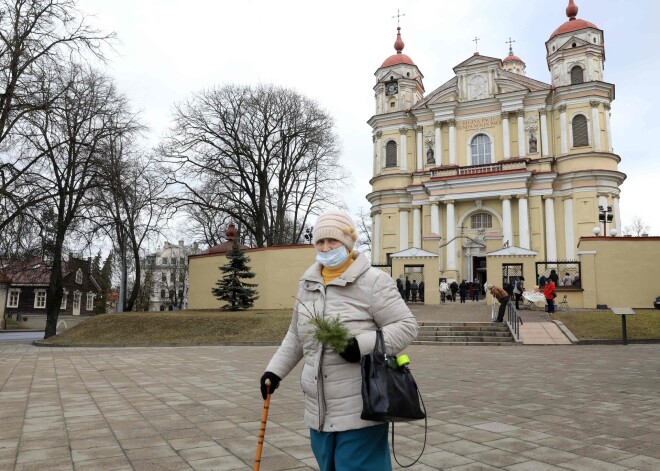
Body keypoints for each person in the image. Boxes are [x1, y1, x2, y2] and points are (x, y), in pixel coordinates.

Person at [259, 211, 418, 471]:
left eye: (332, 241)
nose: (325, 247)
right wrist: (274, 371)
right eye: (320, 242)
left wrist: (361, 345)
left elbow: (406, 327)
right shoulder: (308, 283)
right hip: (319, 409)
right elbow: (296, 335)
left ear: (347, 243)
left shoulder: (374, 281)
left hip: (362, 407)